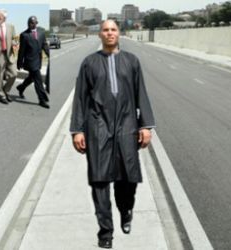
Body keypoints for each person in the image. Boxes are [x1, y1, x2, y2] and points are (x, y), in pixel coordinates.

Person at [70, 20, 155, 249]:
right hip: (97, 126)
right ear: (100, 34)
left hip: (127, 124)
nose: (109, 33)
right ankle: (106, 232)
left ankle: (126, 209)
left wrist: (145, 126)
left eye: (113, 30)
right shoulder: (89, 63)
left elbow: (141, 94)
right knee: (99, 180)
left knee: (128, 176)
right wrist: (77, 130)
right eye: (105, 30)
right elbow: (80, 98)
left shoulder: (131, 61)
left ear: (119, 33)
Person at [16, 16, 50, 108]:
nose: (31, 24)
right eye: (29, 23)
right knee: (38, 80)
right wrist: (19, 62)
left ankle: (21, 87)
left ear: (36, 23)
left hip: (38, 60)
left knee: (32, 78)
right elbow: (21, 50)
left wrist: (49, 54)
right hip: (30, 61)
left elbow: (44, 45)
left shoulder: (41, 33)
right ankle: (42, 100)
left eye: (32, 23)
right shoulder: (24, 35)